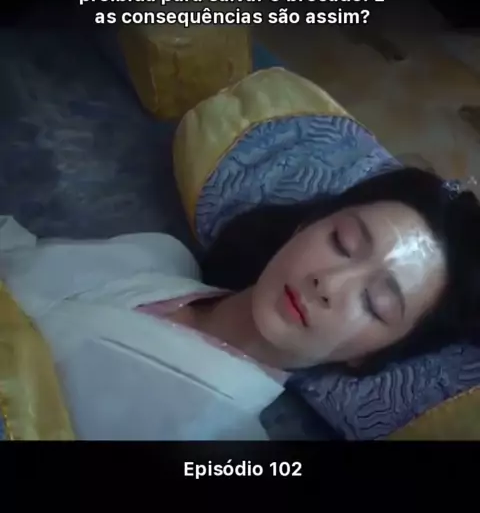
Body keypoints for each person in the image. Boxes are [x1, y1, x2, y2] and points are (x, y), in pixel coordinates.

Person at [1, 167, 479, 441]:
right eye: (342, 241)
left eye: (375, 303)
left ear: (368, 357)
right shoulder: (156, 256)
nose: (329, 284)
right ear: (307, 224)